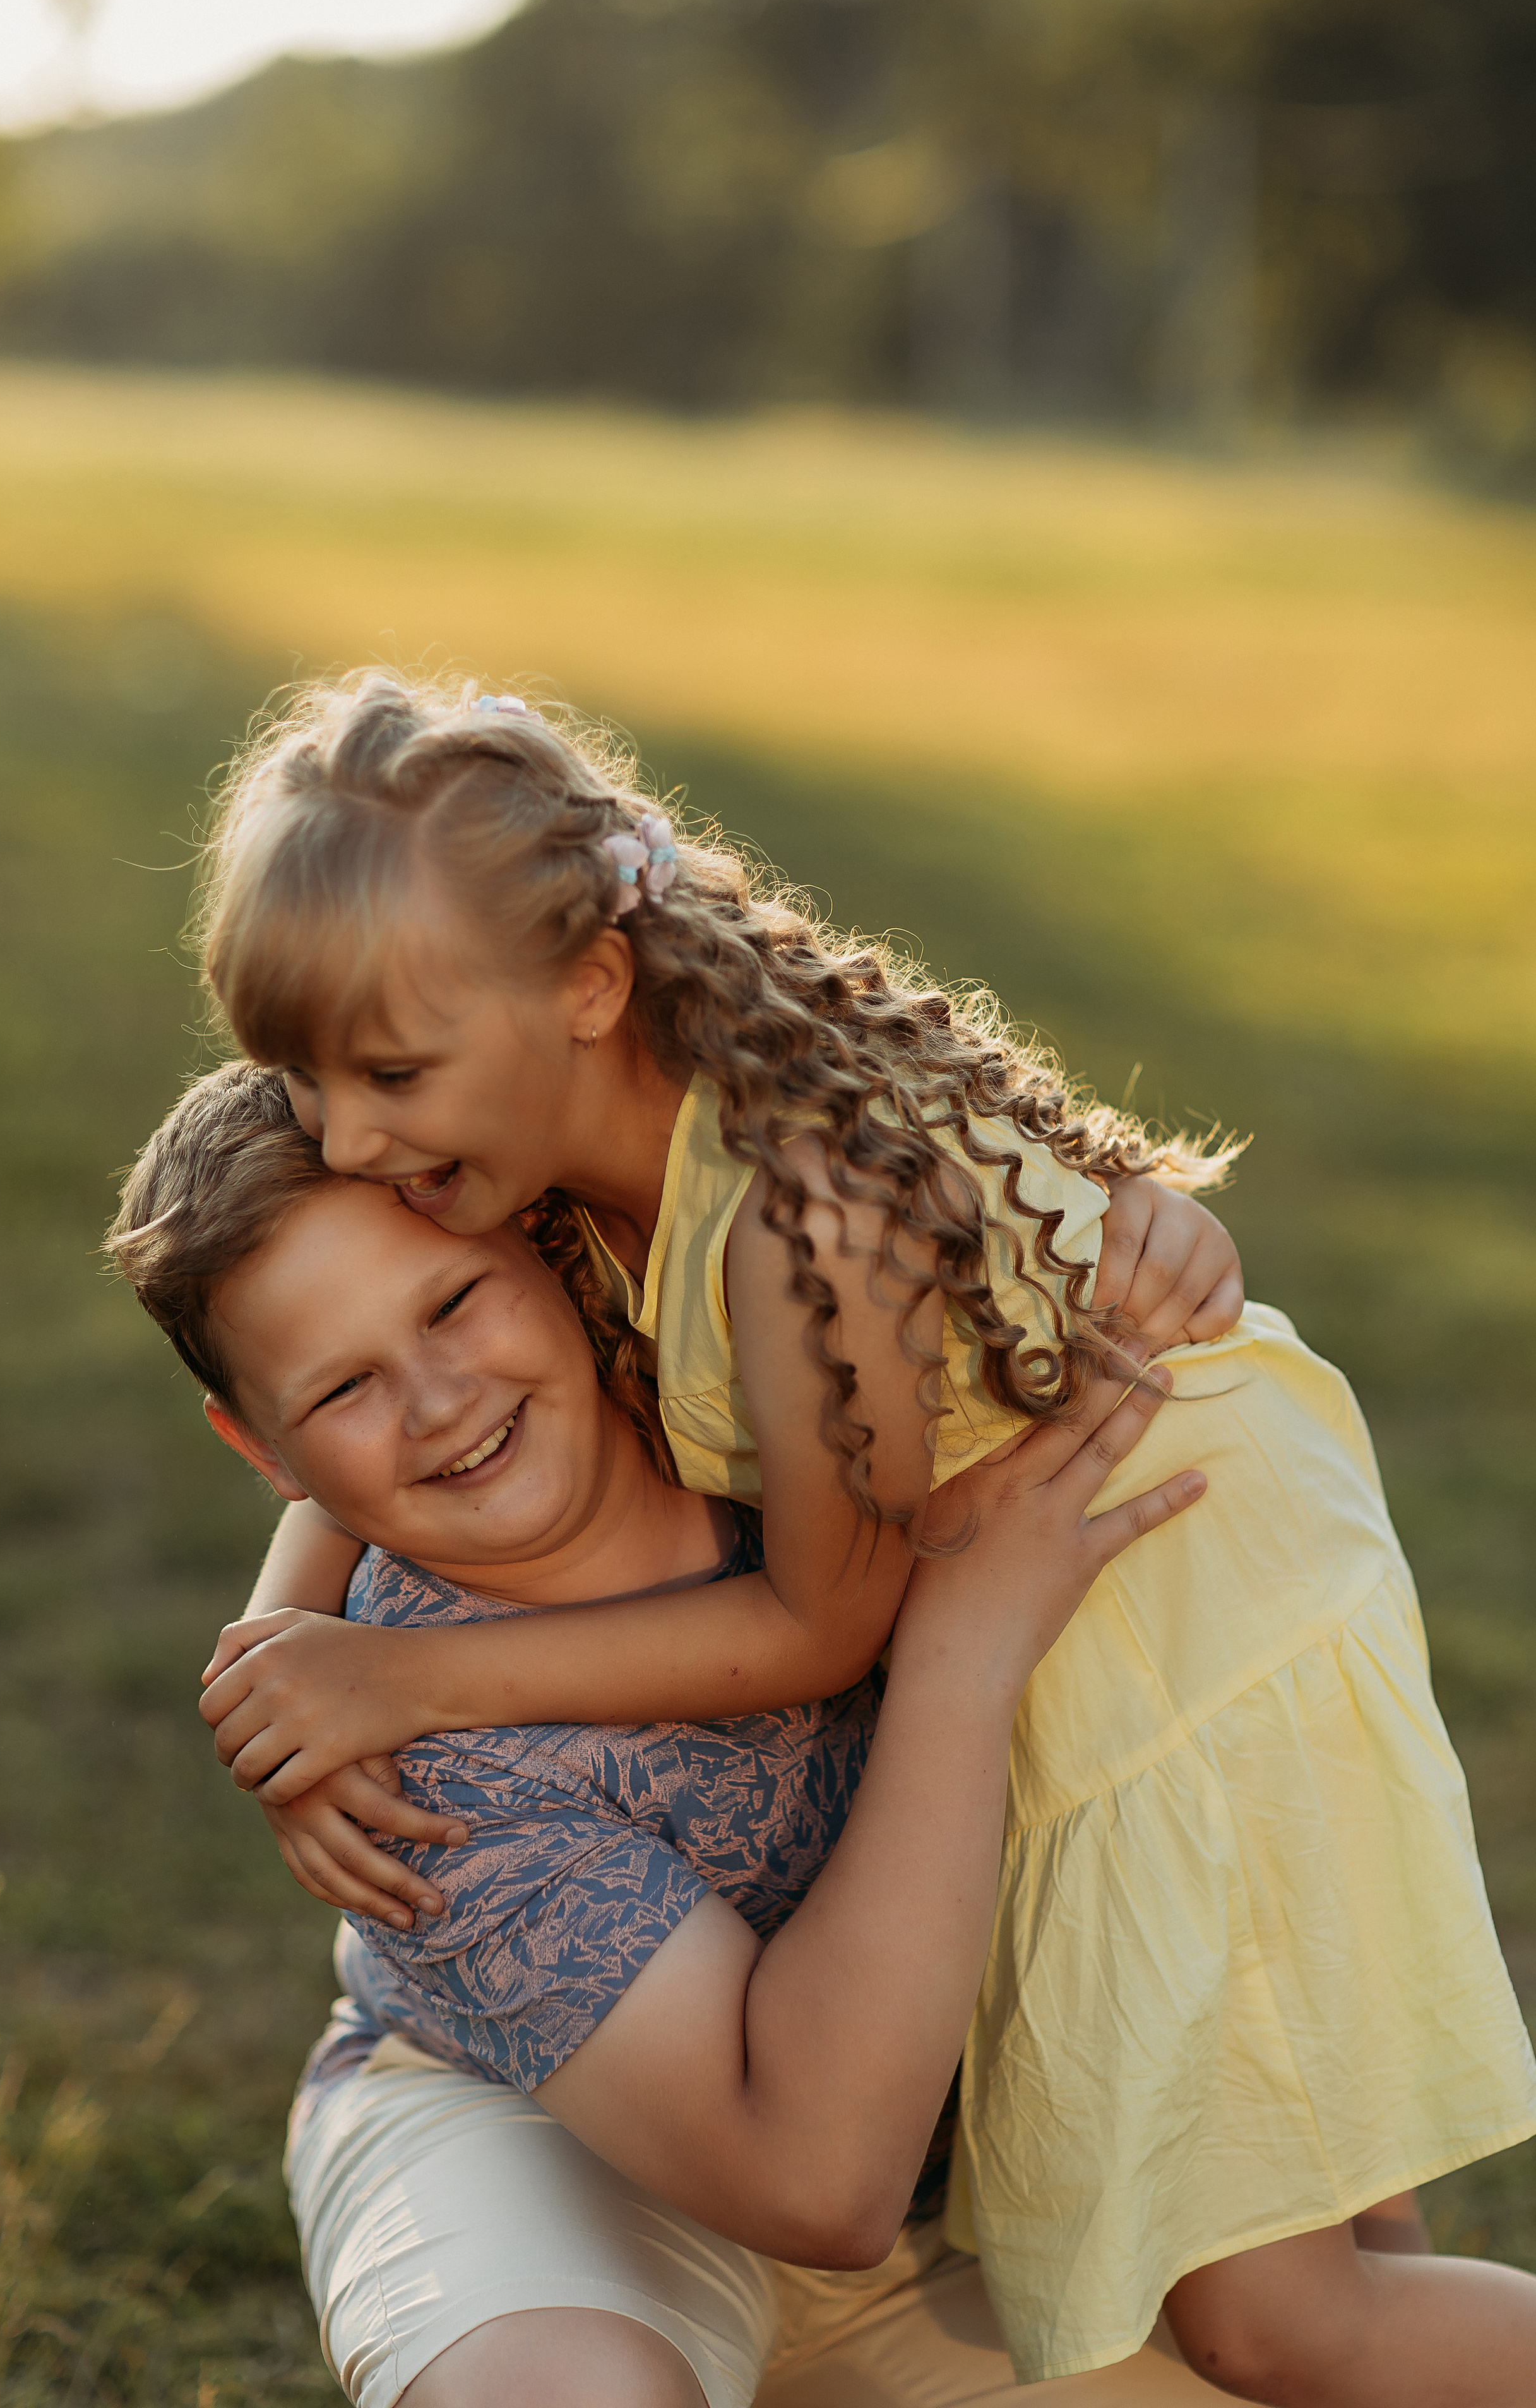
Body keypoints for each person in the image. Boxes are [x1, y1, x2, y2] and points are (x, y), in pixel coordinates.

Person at [186, 673, 1536, 2400]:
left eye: (387, 1075)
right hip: (1080, 1613)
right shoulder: (548, 1147)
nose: (351, 1139)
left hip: (1173, 1616)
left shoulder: (780, 1220)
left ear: (591, 981)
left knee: (1281, 2319)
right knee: (1302, 2261)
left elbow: (824, 1626)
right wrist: (286, 1658)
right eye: (300, 1077)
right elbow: (328, 1419)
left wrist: (404, 1682)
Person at [109, 1060, 1225, 2408]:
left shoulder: (745, 1383)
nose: (441, 1401)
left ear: (544, 1239)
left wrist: (1135, 1210)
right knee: (566, 2393)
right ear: (264, 1452)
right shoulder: (394, 1760)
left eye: (453, 1302)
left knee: (1301, 2364)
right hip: (548, 2140)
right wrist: (957, 1663)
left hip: (948, 2177)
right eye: (344, 1391)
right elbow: (813, 2182)